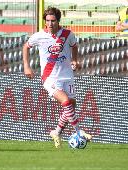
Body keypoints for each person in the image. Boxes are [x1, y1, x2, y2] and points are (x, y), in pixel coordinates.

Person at [22, 7, 92, 148]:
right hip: (50, 78)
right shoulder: (39, 36)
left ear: (58, 21)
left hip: (67, 76)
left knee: (71, 106)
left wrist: (75, 60)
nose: (50, 24)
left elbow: (74, 46)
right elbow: (26, 46)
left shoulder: (67, 34)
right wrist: (26, 66)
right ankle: (79, 131)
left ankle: (57, 132)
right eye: (47, 20)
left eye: (53, 21)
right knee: (65, 102)